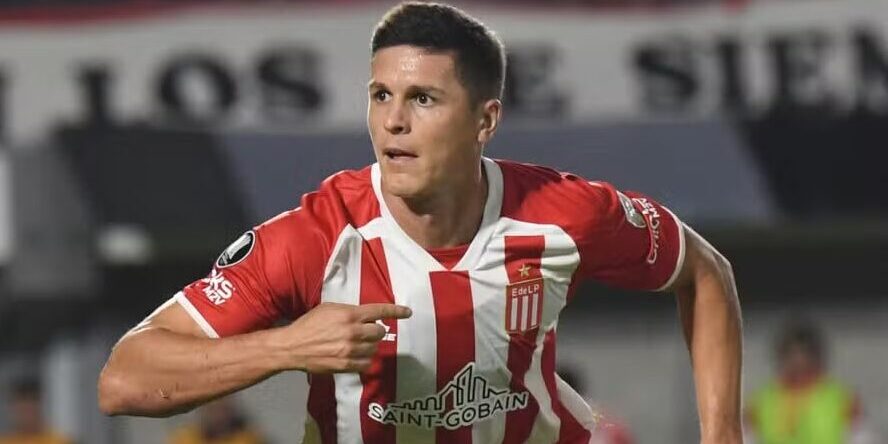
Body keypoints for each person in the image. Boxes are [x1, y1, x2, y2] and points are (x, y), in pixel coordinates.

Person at [97, 2, 743, 443]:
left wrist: (722, 436)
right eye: (381, 96)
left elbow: (706, 273)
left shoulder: (562, 216)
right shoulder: (315, 240)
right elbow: (123, 379)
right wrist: (287, 347)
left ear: (485, 121)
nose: (393, 122)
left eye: (423, 99)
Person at [745, 321, 875, 444]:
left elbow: (864, 438)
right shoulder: (760, 402)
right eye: (792, 357)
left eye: (804, 357)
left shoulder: (843, 399)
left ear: (817, 358)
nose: (798, 365)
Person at [0, 378, 72, 444]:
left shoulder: (60, 441)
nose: (27, 412)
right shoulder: (4, 441)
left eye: (31, 405)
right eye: (22, 408)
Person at [168, 397, 266, 444]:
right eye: (212, 410)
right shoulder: (184, 439)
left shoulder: (249, 439)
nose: (219, 416)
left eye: (224, 410)